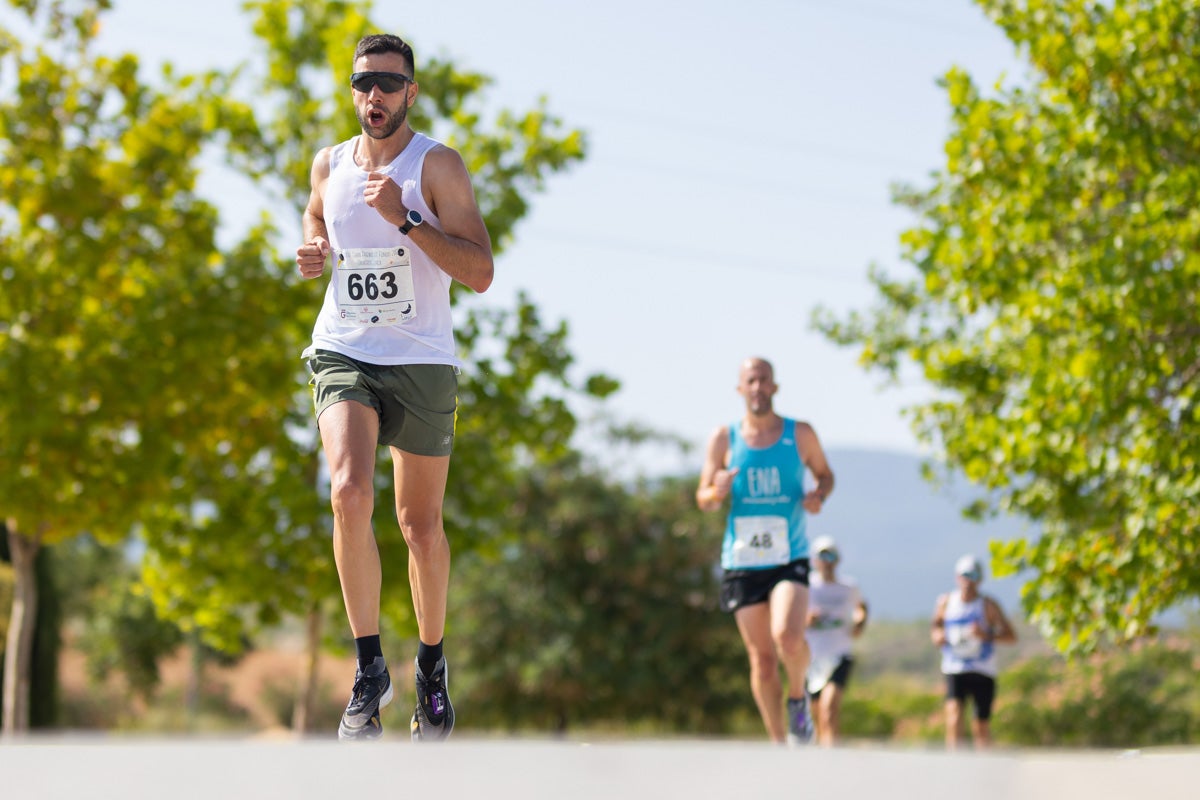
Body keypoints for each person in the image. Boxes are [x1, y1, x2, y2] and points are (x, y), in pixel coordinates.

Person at [294, 33, 494, 741]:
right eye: (362, 83)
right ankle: (368, 666)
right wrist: (312, 246)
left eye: (388, 83)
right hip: (345, 346)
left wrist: (407, 218)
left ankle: (430, 667)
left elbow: (479, 271)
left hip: (422, 359)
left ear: (410, 91)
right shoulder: (329, 163)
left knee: (420, 526)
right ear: (351, 91)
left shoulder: (436, 165)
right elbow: (318, 213)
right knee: (348, 492)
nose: (373, 95)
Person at [696, 357, 835, 745]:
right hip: (742, 561)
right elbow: (703, 496)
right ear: (740, 389)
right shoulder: (724, 439)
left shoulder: (800, 434)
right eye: (750, 381)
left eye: (764, 380)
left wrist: (818, 494)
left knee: (787, 637)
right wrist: (716, 490)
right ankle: (778, 744)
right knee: (761, 659)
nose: (758, 387)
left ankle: (797, 699)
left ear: (775, 387)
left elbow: (825, 474)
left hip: (788, 555)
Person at [930, 554, 1017, 750]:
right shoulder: (945, 602)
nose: (969, 581)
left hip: (982, 670)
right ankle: (954, 762)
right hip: (954, 667)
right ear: (957, 577)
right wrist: (937, 636)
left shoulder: (988, 605)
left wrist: (985, 635)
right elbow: (935, 625)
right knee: (953, 715)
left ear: (980, 579)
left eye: (974, 576)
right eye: (965, 575)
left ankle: (983, 768)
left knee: (981, 725)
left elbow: (1011, 636)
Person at [804, 535, 867, 747]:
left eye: (831, 555)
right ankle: (822, 755)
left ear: (837, 559)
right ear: (814, 559)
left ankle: (833, 759)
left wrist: (859, 622)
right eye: (822, 555)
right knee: (816, 714)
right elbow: (790, 620)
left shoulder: (849, 586)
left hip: (840, 654)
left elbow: (861, 607)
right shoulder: (805, 586)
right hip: (811, 658)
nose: (827, 560)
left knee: (829, 709)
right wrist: (807, 620)